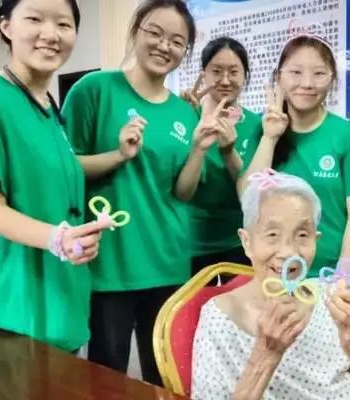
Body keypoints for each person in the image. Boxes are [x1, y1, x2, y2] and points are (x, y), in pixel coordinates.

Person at [62, 0, 227, 385]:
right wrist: (118, 155)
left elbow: (183, 193)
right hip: (110, 267)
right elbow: (64, 169)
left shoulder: (185, 114)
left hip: (169, 263)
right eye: (155, 32)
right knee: (107, 378)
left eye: (177, 41)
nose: (164, 46)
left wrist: (198, 149)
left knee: (166, 378)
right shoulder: (94, 90)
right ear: (136, 30)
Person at [0, 0, 110, 352]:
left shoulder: (51, 109)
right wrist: (58, 238)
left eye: (64, 24)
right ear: (6, 26)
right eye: (35, 19)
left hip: (66, 295)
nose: (50, 34)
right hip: (22, 308)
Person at [191, 170, 350, 399]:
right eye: (273, 234)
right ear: (247, 242)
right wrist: (265, 355)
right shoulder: (219, 319)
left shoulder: (334, 299)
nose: (288, 252)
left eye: (302, 235)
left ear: (316, 240)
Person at [240, 35, 350, 297]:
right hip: (276, 271)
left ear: (332, 79)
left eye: (319, 74)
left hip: (333, 274)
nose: (307, 83)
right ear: (279, 77)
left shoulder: (346, 135)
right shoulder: (262, 130)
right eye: (295, 72)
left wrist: (343, 273)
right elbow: (247, 197)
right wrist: (270, 137)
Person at [181, 37, 262, 274]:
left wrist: (229, 152)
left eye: (234, 72)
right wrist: (178, 113)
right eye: (216, 71)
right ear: (203, 74)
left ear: (245, 76)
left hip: (240, 243)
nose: (225, 80)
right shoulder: (186, 116)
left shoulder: (259, 126)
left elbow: (255, 192)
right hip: (188, 244)